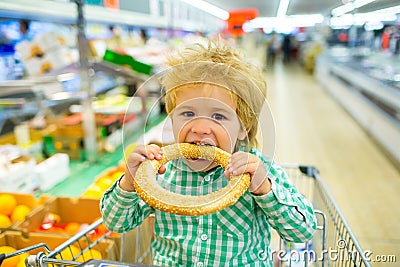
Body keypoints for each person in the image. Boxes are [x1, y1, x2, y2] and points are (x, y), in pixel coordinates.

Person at [100, 41, 317, 266]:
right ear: (171, 119)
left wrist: (265, 190)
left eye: (218, 117)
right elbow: (116, 223)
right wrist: (130, 181)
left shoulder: (260, 172)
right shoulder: (160, 174)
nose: (200, 128)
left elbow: (302, 232)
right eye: (188, 113)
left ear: (244, 128)